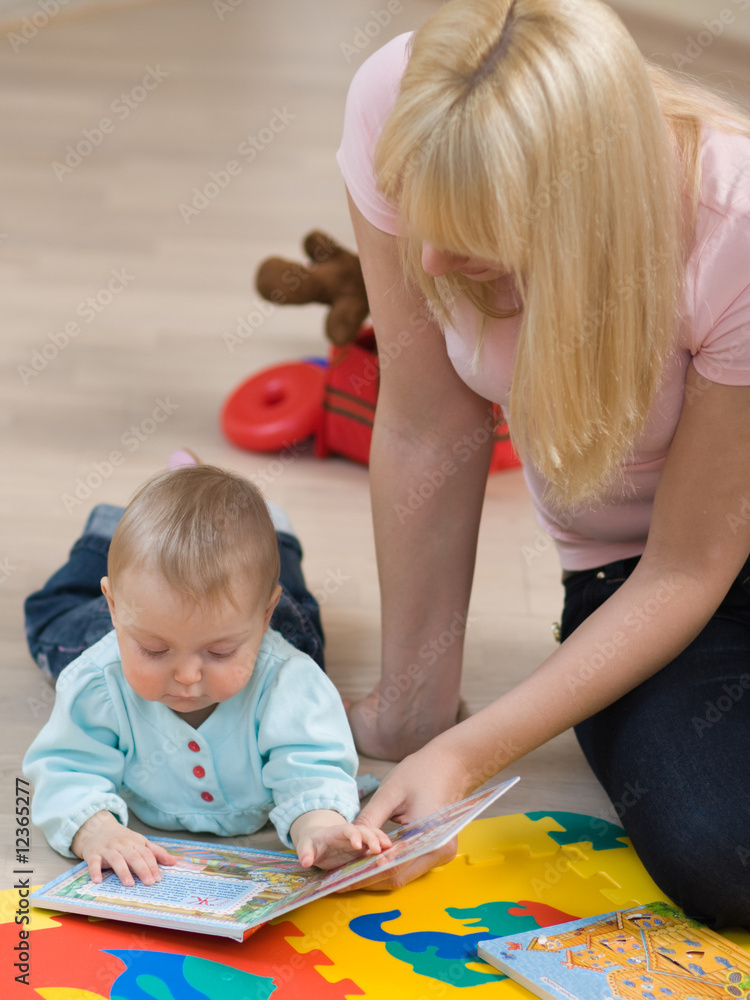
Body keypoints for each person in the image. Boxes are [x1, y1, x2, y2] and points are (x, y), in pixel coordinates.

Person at [338, 0, 750, 926]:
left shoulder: (734, 225)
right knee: (724, 853)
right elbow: (427, 424)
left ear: (579, 214)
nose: (430, 258)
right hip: (639, 576)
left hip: (702, 556)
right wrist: (415, 716)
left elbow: (697, 561)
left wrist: (465, 756)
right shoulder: (401, 105)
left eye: (475, 235)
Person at [23, 462, 390, 887]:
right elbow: (66, 767)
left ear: (264, 616)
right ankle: (105, 531)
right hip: (112, 619)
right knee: (51, 620)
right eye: (154, 649)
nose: (186, 675)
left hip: (275, 623)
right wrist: (94, 828)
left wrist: (319, 825)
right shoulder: (98, 681)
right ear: (115, 608)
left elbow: (310, 765)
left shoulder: (289, 682)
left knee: (300, 619)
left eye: (219, 652)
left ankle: (281, 541)